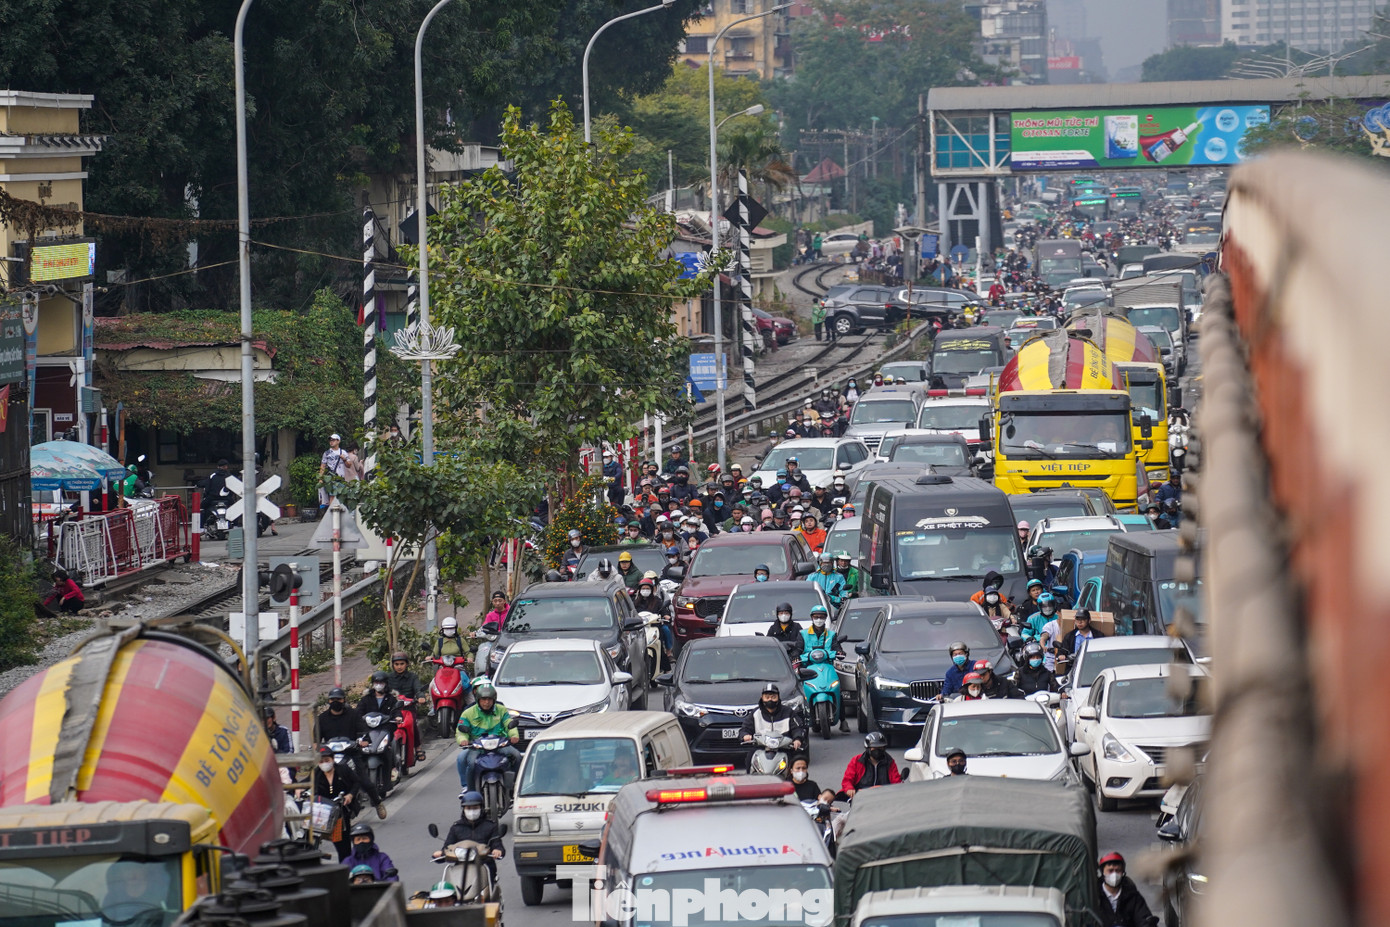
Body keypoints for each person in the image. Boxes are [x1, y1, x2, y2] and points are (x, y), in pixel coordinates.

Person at [314, 746, 384, 860]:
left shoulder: (343, 770)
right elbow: (305, 784)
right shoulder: (316, 774)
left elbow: (356, 782)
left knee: (342, 845)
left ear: (332, 759)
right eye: (321, 761)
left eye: (327, 760)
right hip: (322, 813)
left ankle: (346, 864)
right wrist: (298, 789)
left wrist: (350, 795)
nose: (324, 763)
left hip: (340, 813)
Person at [455, 681, 522, 792]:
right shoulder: (468, 713)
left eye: (489, 699)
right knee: (466, 761)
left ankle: (515, 784)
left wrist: (514, 735)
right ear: (478, 699)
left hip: (500, 744)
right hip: (477, 747)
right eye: (483, 699)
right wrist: (463, 740)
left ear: (494, 699)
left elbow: (509, 724)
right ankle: (467, 788)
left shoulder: (501, 710)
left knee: (517, 756)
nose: (486, 702)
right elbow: (461, 731)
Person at [435, 790, 505, 889]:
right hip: (460, 865)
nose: (472, 811)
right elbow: (448, 847)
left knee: (489, 883)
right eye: (468, 808)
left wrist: (497, 850)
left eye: (475, 808)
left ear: (481, 808)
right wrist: (441, 854)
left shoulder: (490, 826)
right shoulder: (456, 827)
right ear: (463, 809)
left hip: (484, 864)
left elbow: (496, 843)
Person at [739, 683, 807, 752]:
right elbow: (745, 728)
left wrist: (797, 739)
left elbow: (797, 728)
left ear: (778, 697)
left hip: (784, 749)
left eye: (773, 697)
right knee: (749, 757)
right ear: (762, 698)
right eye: (767, 697)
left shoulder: (788, 712)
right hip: (761, 749)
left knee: (799, 757)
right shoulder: (755, 713)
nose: (770, 700)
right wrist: (745, 735)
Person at [1097, 852, 1159, 927]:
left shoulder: (1132, 896)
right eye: (1110, 871)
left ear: (1123, 872)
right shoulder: (1094, 895)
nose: (1114, 874)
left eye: (1118, 871)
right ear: (1102, 872)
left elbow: (1143, 918)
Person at [386, 651, 426, 763]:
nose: (399, 667)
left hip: (409, 708)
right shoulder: (388, 678)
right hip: (393, 709)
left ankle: (418, 748)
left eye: (402, 664)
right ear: (393, 665)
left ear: (407, 664)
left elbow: (418, 689)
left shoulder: (413, 677)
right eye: (396, 664)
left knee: (412, 724)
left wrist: (421, 697)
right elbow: (383, 691)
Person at [841, 732, 902, 797]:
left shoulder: (889, 762)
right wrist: (849, 789)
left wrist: (900, 786)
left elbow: (896, 782)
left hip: (883, 797)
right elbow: (847, 780)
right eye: (874, 748)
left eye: (880, 748)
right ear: (868, 748)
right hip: (861, 797)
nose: (877, 750)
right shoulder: (856, 760)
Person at [318, 434, 350, 510]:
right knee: (332, 496)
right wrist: (320, 478)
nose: (331, 442)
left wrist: (344, 459)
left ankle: (340, 513)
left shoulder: (343, 452)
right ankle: (331, 513)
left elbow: (349, 465)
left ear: (338, 441)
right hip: (331, 478)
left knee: (341, 496)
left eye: (333, 440)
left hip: (341, 478)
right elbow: (323, 466)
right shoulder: (327, 453)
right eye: (330, 440)